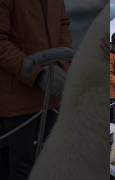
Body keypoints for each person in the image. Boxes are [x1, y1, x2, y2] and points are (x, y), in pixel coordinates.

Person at [0, 0, 71, 179]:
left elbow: (63, 24)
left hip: (53, 95)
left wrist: (61, 65)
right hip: (17, 98)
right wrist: (36, 74)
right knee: (22, 165)